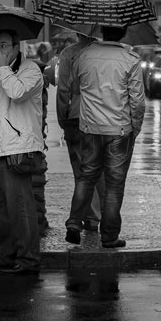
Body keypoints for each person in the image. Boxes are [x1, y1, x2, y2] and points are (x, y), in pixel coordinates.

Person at [66, 25, 145, 249]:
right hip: (119, 130)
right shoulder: (130, 59)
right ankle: (109, 237)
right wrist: (135, 128)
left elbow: (76, 88)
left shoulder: (83, 56)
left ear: (101, 30)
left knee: (86, 177)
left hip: (90, 127)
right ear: (124, 32)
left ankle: (74, 223)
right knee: (114, 185)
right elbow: (137, 101)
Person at [0, 29, 44, 275]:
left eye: (4, 45)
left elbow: (17, 94)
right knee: (2, 207)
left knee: (20, 206)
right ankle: (8, 255)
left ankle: (28, 259)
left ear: (17, 47)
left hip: (14, 148)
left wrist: (2, 68)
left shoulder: (29, 70)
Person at [55, 32, 105, 242]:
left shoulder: (69, 54)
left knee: (82, 171)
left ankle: (90, 217)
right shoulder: (106, 53)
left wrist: (62, 117)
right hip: (104, 118)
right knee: (100, 170)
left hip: (77, 117)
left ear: (76, 31)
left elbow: (64, 89)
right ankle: (99, 216)